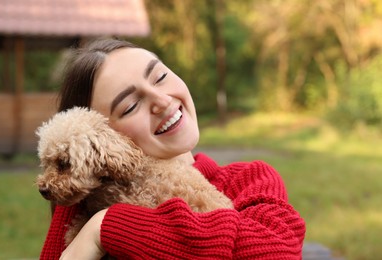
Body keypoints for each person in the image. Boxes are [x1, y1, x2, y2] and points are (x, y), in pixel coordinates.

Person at [39, 38, 305, 260]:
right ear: (98, 143)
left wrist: (106, 226)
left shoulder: (251, 179)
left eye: (160, 76)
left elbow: (277, 253)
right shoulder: (81, 200)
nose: (162, 100)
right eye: (130, 106)